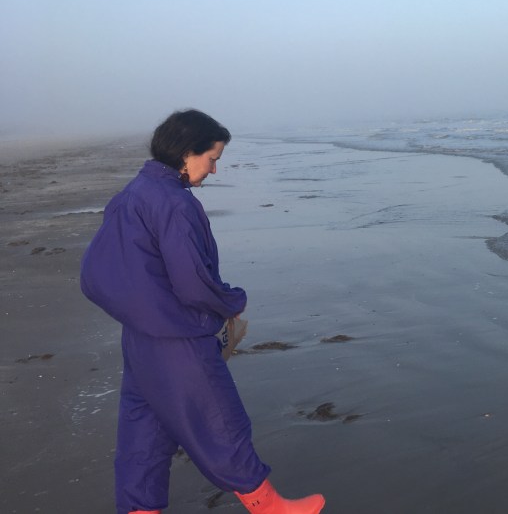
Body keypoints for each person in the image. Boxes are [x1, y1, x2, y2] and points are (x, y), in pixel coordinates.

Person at [80, 109, 325, 514]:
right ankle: (270, 507)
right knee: (220, 421)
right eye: (212, 159)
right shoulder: (175, 203)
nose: (213, 170)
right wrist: (231, 302)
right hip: (179, 336)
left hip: (140, 337)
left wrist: (140, 311)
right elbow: (193, 282)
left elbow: (99, 272)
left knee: (144, 432)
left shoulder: (133, 192)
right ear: (186, 152)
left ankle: (140, 511)